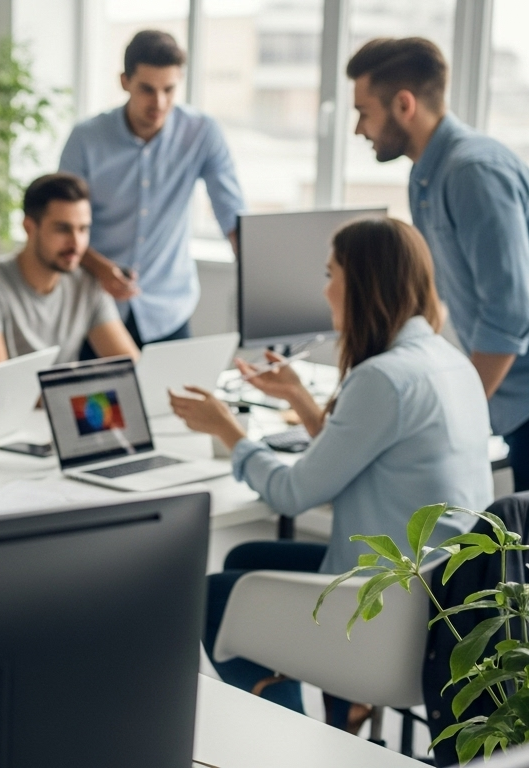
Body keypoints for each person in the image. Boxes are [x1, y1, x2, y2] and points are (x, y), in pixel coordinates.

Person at [168, 218, 493, 725]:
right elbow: (360, 457)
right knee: (250, 556)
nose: (324, 291)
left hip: (388, 614)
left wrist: (226, 429)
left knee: (214, 599)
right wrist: (299, 396)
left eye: (330, 274)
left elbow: (293, 493)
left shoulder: (382, 378)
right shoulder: (445, 361)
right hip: (436, 596)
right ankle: (343, 706)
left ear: (362, 284)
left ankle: (296, 741)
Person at [345, 37, 529, 491]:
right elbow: (432, 299)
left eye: (363, 112)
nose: (358, 129)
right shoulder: (426, 176)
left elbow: (510, 312)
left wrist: (462, 407)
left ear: (403, 104)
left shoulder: (472, 171)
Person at [59, 30, 244, 348]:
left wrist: (261, 280)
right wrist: (102, 269)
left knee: (176, 397)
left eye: (169, 90)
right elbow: (60, 225)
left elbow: (233, 216)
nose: (159, 103)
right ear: (124, 81)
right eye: (147, 89)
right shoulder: (85, 139)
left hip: (168, 311)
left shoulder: (202, 133)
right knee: (97, 400)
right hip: (96, 309)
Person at [0, 173, 139, 398]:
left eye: (83, 229)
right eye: (63, 229)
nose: (76, 244)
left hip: (61, 425)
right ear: (29, 227)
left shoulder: (87, 285)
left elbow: (129, 369)